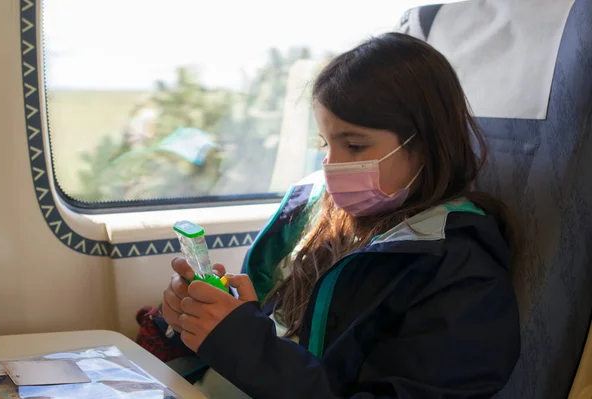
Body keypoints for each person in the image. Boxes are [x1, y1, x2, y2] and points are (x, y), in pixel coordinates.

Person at [161, 32, 521, 398]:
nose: (331, 166)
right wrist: (199, 321)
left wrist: (243, 344)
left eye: (354, 145)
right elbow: (274, 331)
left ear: (426, 142)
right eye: (324, 143)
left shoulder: (461, 274)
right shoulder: (313, 214)